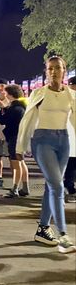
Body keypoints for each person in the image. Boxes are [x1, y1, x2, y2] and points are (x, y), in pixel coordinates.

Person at [16, 56, 76, 252]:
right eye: (50, 69)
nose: (53, 72)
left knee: (52, 186)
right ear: (46, 71)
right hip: (42, 141)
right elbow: (26, 121)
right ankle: (63, 235)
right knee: (57, 186)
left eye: (57, 68)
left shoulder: (70, 95)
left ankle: (43, 229)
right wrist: (20, 148)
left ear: (64, 71)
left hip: (63, 141)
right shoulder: (38, 93)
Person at [0, 84, 29, 198]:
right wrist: (4, 108)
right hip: (20, 137)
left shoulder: (14, 108)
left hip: (14, 138)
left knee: (16, 164)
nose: (5, 94)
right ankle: (25, 187)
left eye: (6, 93)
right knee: (21, 162)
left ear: (10, 94)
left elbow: (3, 120)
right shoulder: (22, 106)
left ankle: (15, 189)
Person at [63, 75, 76, 203]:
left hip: (66, 138)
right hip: (68, 138)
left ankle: (68, 188)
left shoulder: (65, 99)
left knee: (69, 166)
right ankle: (69, 189)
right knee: (71, 165)